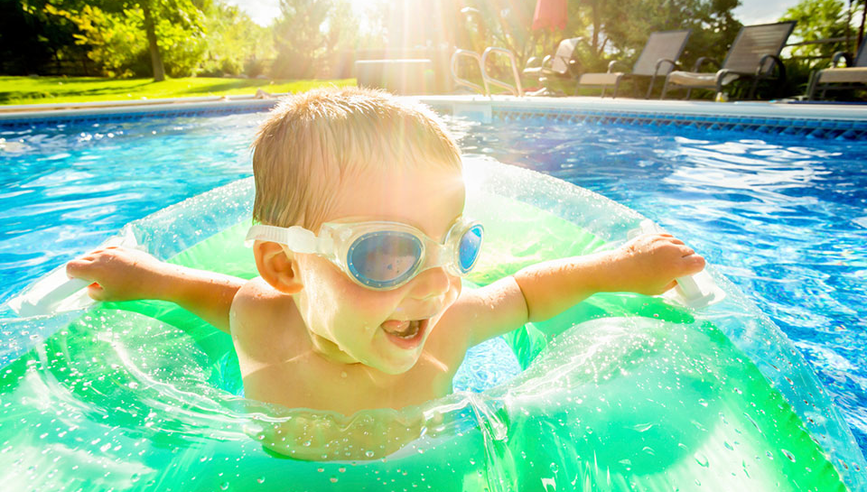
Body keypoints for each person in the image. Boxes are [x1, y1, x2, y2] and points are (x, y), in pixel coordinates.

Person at [66, 87, 705, 457]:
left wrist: (619, 267)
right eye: (386, 254)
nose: (436, 284)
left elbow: (529, 293)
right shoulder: (259, 315)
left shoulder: (448, 324)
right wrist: (136, 271)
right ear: (286, 266)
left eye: (457, 246)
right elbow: (181, 287)